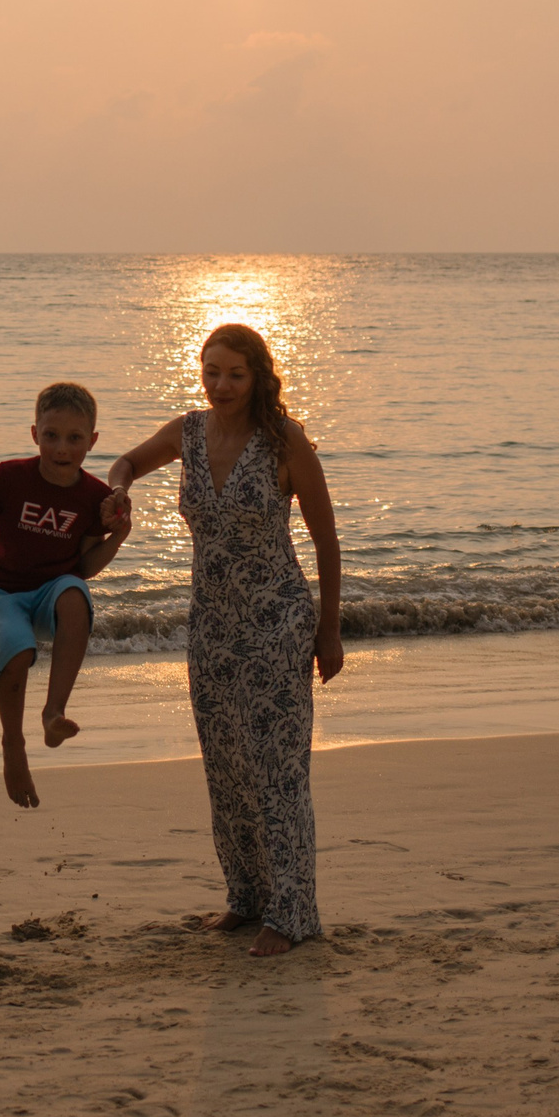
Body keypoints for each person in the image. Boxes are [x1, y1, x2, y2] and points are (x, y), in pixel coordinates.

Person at [104, 323, 344, 957]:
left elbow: (326, 540)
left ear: (259, 374)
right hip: (211, 625)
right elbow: (124, 461)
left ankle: (292, 915)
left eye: (235, 373)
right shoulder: (188, 432)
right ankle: (245, 897)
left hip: (276, 624)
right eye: (211, 372)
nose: (221, 385)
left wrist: (330, 631)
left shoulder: (284, 441)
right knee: (227, 769)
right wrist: (119, 491)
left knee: (277, 772)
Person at [0, 381, 129, 809]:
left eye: (74, 438)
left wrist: (118, 536)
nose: (61, 448)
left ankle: (53, 714)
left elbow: (84, 568)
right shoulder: (10, 476)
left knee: (75, 594)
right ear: (34, 434)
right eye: (51, 436)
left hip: (52, 592)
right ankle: (13, 744)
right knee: (18, 648)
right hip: (3, 593)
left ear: (92, 441)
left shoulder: (94, 496)